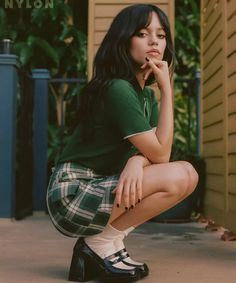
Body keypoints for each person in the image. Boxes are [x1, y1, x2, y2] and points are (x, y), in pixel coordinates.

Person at [46, 3, 199, 283]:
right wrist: (167, 88)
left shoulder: (146, 98)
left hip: (101, 184)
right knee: (179, 174)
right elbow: (162, 155)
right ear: (123, 41)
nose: (154, 40)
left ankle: (108, 243)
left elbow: (156, 151)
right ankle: (98, 245)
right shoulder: (118, 88)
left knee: (188, 175)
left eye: (161, 35)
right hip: (71, 192)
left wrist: (136, 160)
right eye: (143, 33)